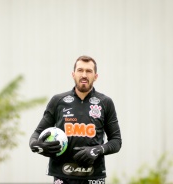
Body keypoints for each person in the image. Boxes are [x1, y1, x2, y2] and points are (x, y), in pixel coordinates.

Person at [29, 55, 122, 184]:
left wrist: (97, 150)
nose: (84, 75)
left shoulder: (105, 102)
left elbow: (116, 141)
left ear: (95, 76)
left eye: (89, 71)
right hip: (62, 175)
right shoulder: (58, 101)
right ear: (73, 74)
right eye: (80, 70)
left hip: (93, 176)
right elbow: (36, 135)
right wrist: (37, 145)